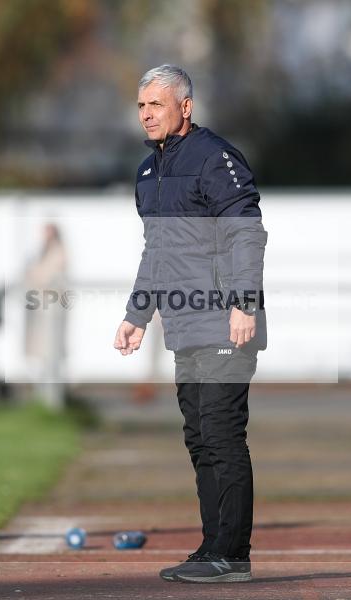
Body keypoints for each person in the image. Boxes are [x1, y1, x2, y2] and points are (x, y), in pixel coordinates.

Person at [114, 65, 267, 583]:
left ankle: (233, 554)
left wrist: (244, 302)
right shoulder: (148, 173)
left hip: (226, 323)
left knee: (223, 436)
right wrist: (138, 314)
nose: (146, 114)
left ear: (185, 107)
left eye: (155, 104)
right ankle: (211, 549)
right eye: (141, 106)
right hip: (183, 326)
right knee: (200, 437)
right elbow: (156, 252)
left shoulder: (214, 158)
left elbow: (247, 232)